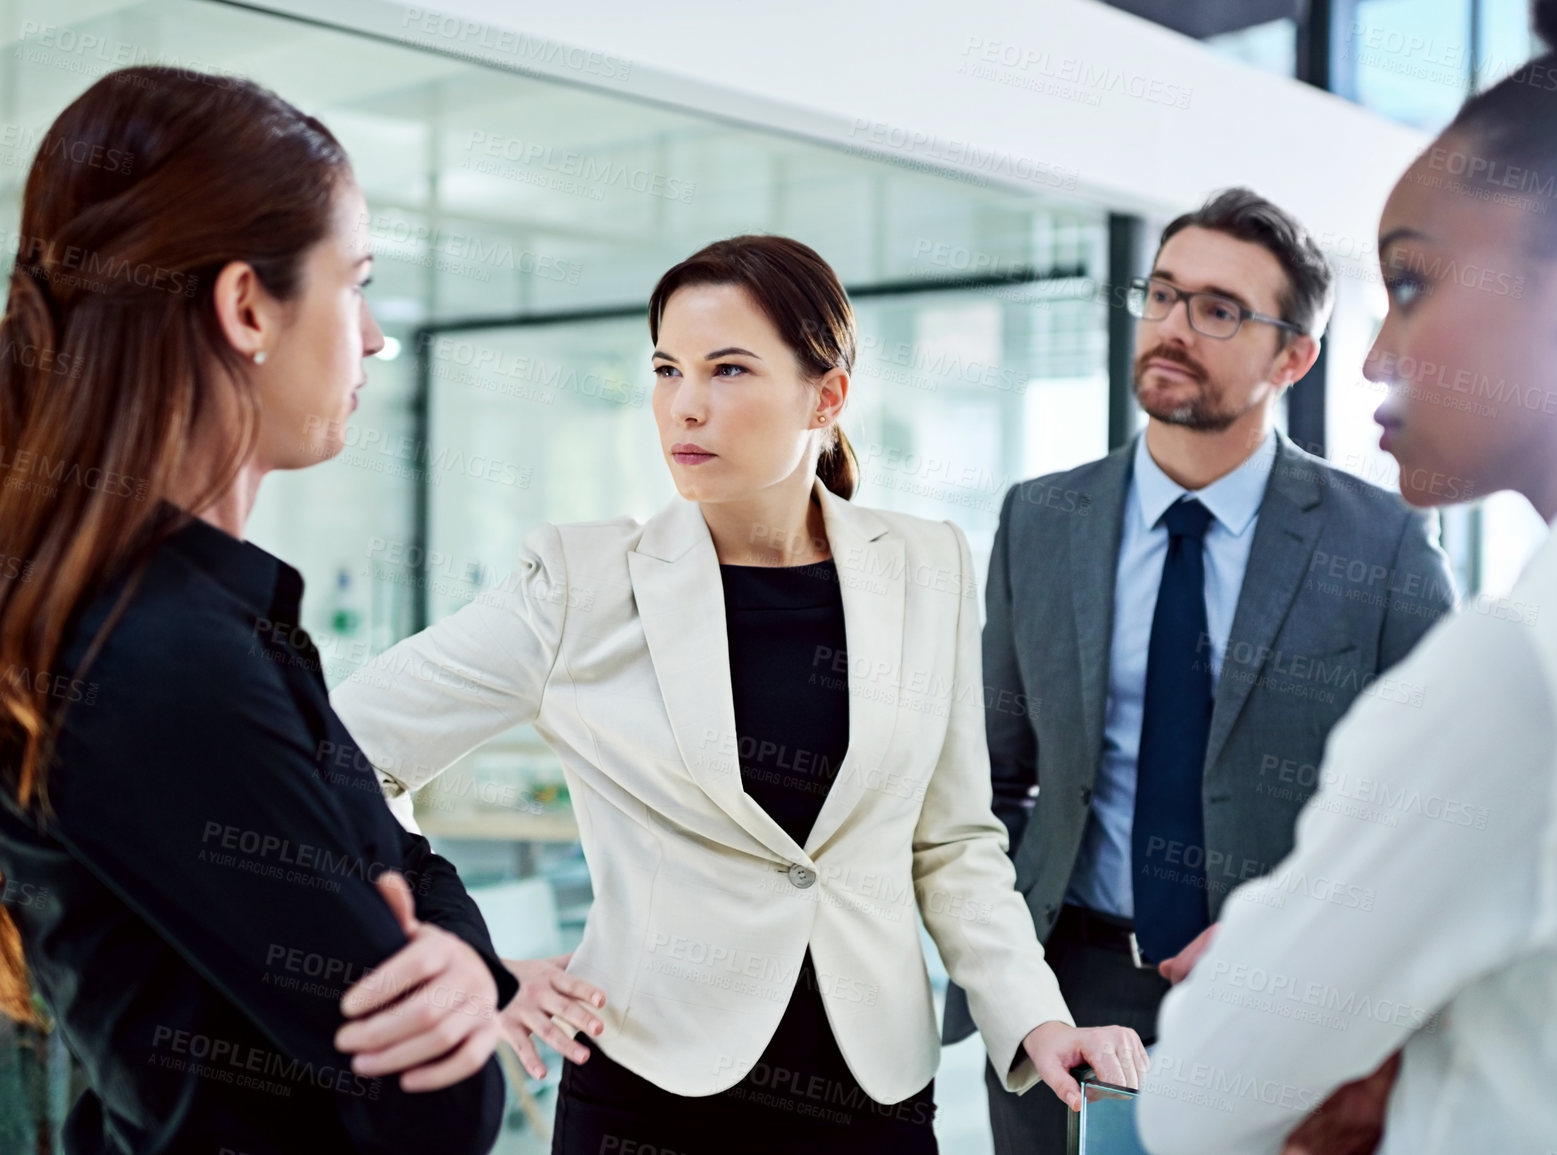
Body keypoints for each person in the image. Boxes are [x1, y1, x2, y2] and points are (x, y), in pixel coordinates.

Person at [329, 234, 1147, 1154]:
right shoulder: (579, 582)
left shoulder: (925, 565)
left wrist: (1035, 1018)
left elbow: (952, 842)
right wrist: (468, 955)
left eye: (727, 369)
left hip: (871, 1094)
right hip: (648, 1090)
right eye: (666, 368)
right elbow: (335, 751)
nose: (684, 404)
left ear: (826, 395)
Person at [1140, 2, 1557, 1153]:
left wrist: (1358, 1027)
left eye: (1412, 286)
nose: (1378, 356)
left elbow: (1196, 1106)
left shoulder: (1533, 666)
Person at [0, 67, 517, 1155]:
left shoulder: (198, 621)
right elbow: (435, 1108)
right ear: (247, 307)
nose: (374, 337)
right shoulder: (156, 660)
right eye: (355, 281)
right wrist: (452, 964)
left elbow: (413, 871)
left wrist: (459, 954)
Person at [938, 187, 1456, 1154]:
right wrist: (1009, 974)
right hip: (1068, 986)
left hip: (1285, 994)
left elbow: (1437, 799)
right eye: (1163, 294)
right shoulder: (1041, 520)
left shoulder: (1378, 542)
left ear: (1292, 357)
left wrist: (1302, 927)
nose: (1173, 327)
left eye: (1218, 310)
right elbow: (988, 776)